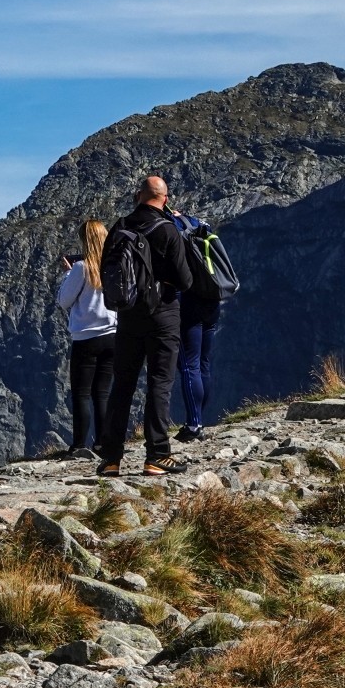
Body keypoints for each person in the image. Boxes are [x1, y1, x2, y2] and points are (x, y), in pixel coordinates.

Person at [97, 175, 194, 478]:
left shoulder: (119, 228)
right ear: (164, 198)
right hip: (162, 315)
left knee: (122, 384)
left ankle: (111, 458)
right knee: (159, 383)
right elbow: (185, 280)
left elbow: (106, 270)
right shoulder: (167, 230)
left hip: (127, 316)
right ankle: (158, 455)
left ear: (138, 195)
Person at [56, 220, 117, 458]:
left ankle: (79, 444)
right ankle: (103, 443)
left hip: (86, 337)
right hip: (112, 333)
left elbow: (64, 300)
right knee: (102, 393)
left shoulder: (81, 267)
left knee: (82, 392)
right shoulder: (113, 265)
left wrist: (68, 273)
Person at [166, 203, 223, 442]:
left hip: (187, 301)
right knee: (203, 363)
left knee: (189, 365)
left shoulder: (171, 229)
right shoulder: (200, 224)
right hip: (211, 298)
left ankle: (194, 423)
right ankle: (199, 420)